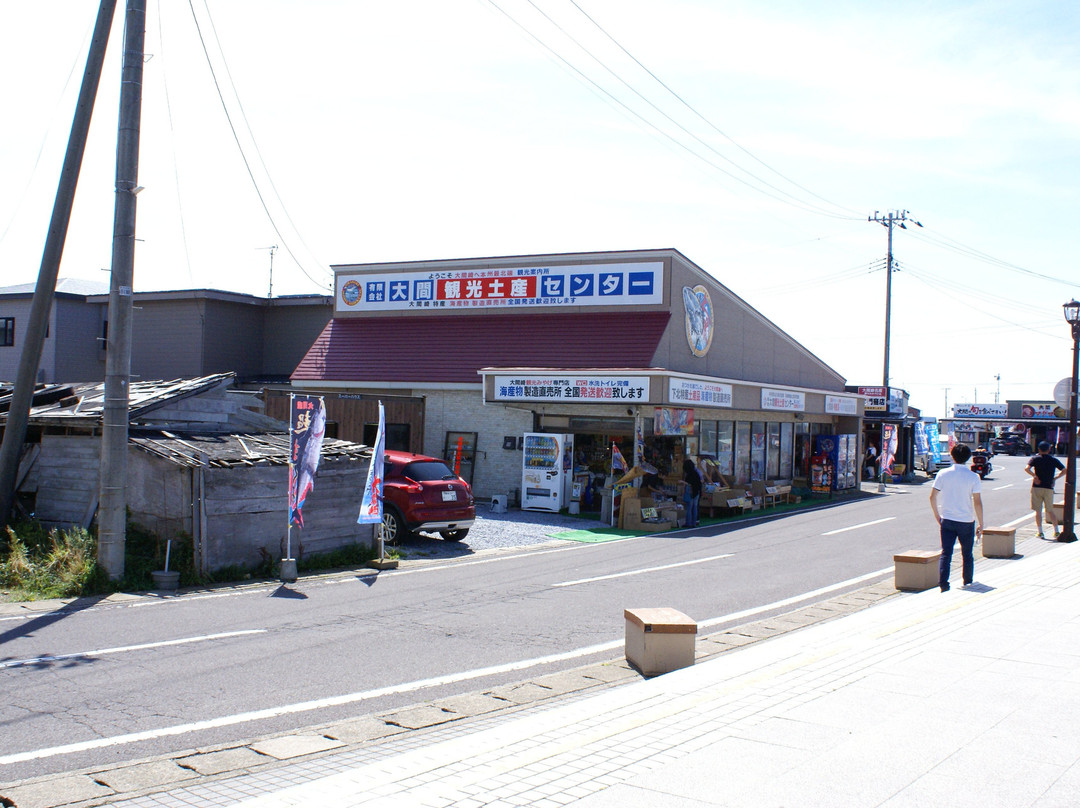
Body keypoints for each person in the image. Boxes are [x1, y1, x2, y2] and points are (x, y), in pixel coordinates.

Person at [929, 443, 984, 592]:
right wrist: (981, 523)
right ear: (968, 457)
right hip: (966, 520)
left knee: (946, 553)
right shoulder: (974, 477)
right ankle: (967, 581)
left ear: (952, 456)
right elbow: (977, 502)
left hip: (947, 519)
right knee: (967, 553)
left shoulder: (943, 473)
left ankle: (944, 585)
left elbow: (932, 497)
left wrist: (937, 516)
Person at [1026, 440, 1066, 539]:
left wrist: (1034, 476)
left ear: (1039, 449)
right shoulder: (1053, 460)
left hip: (1037, 487)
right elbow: (1064, 470)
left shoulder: (1035, 459)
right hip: (1048, 487)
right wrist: (1055, 478)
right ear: (1049, 450)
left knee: (1038, 511)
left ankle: (1040, 532)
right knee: (1050, 510)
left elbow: (1027, 468)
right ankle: (1056, 531)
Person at [680, 458, 702, 528]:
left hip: (690, 491)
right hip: (697, 492)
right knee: (695, 507)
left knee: (689, 508)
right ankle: (694, 522)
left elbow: (689, 483)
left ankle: (688, 523)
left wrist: (682, 482)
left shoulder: (689, 474)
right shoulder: (696, 473)